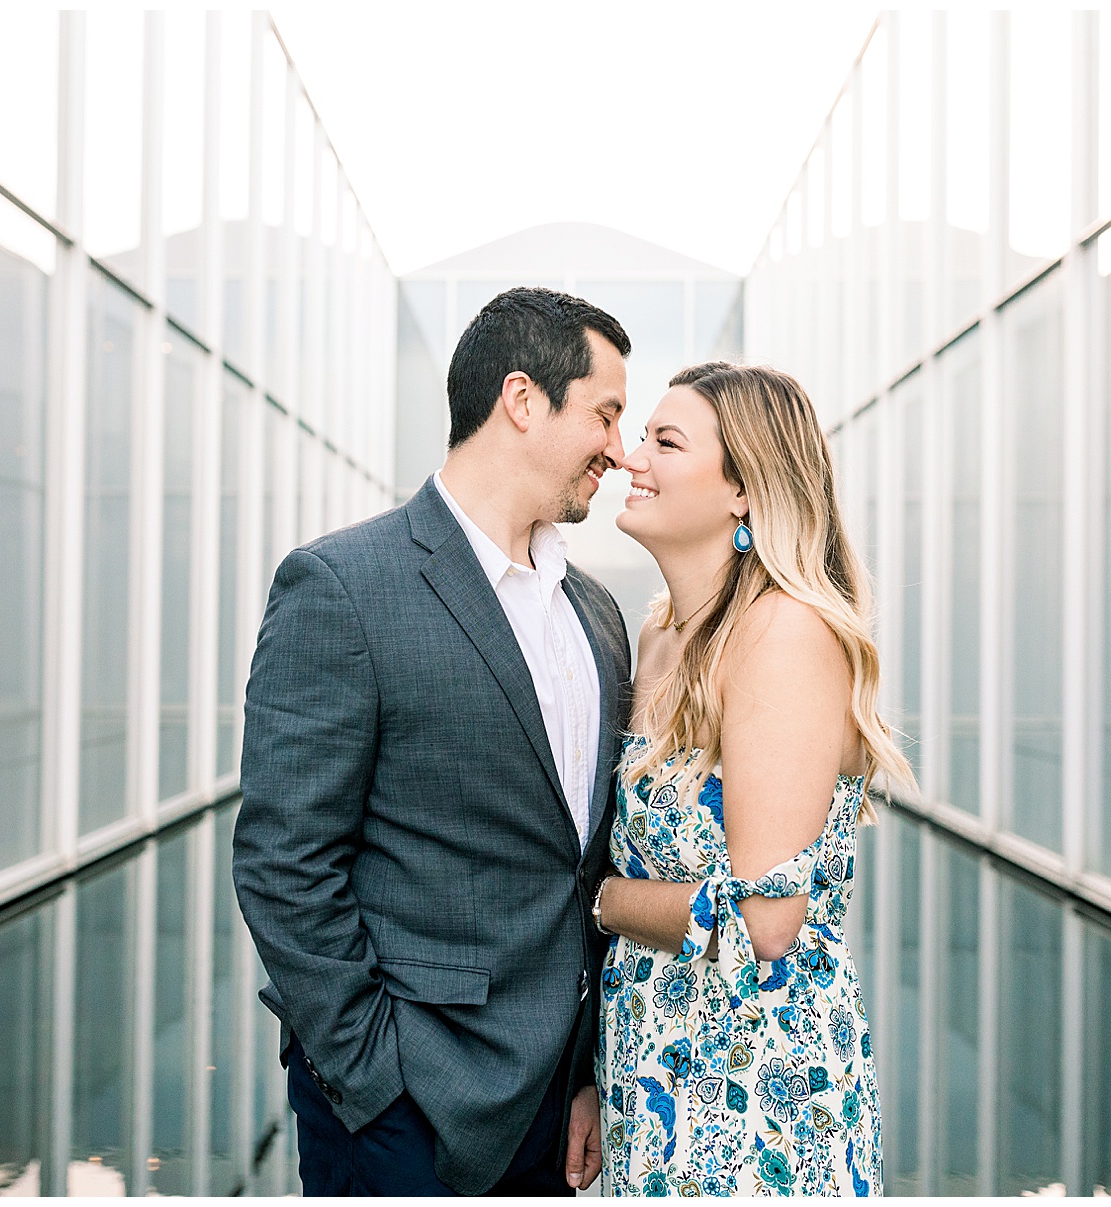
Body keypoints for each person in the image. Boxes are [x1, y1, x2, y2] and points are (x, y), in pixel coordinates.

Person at [233, 287, 635, 1195]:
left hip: (558, 1113)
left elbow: (583, 860)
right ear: (524, 400)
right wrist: (375, 1082)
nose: (619, 446)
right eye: (606, 413)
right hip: (400, 1111)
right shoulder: (341, 586)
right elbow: (282, 859)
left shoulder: (598, 615)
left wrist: (586, 1073)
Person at [591, 362, 910, 1196]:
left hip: (757, 1098)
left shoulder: (784, 636)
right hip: (648, 1072)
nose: (633, 457)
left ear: (743, 489)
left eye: (665, 441)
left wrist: (600, 900)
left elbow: (766, 918)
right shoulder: (659, 635)